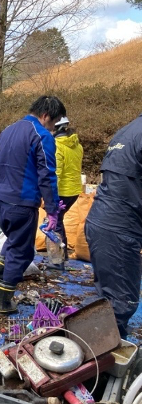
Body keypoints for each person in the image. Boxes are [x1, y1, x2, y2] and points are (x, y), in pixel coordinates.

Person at [0, 95, 66, 314]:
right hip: (21, 202)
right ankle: (5, 301)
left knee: (13, 240)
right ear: (45, 116)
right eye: (54, 123)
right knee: (22, 252)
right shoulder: (41, 135)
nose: (53, 128)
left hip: (0, 200)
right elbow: (47, 175)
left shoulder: (8, 130)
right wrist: (52, 210)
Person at [85, 115, 142, 339]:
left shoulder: (127, 130)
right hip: (119, 227)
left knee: (111, 299)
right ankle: (108, 354)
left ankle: (109, 347)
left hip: (102, 221)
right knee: (121, 302)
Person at [52, 116, 83, 268]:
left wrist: (50, 194)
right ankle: (62, 258)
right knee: (59, 220)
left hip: (62, 191)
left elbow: (56, 172)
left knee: (55, 222)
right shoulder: (77, 145)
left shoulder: (57, 146)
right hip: (74, 190)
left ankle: (59, 260)